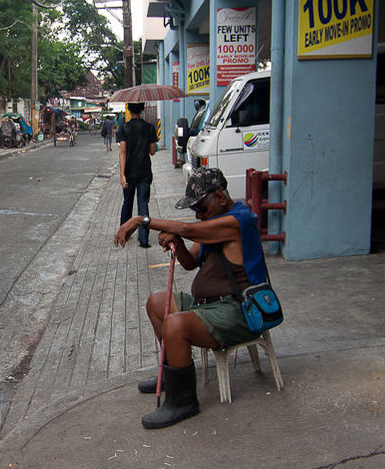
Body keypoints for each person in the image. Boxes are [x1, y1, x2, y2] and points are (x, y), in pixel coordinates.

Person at [113, 167, 272, 429]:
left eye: (202, 208)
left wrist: (141, 220)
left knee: (175, 324)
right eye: (195, 210)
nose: (199, 215)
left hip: (236, 310)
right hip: (209, 306)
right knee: (156, 302)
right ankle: (171, 374)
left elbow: (187, 227)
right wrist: (179, 244)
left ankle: (183, 401)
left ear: (220, 198)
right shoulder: (214, 223)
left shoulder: (236, 221)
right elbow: (189, 263)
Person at [116, 103, 158, 248]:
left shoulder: (124, 128)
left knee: (127, 202)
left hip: (129, 172)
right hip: (144, 172)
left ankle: (124, 234)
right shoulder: (149, 127)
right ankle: (144, 240)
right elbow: (152, 151)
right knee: (143, 204)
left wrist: (122, 175)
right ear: (142, 109)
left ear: (129, 109)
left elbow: (122, 151)